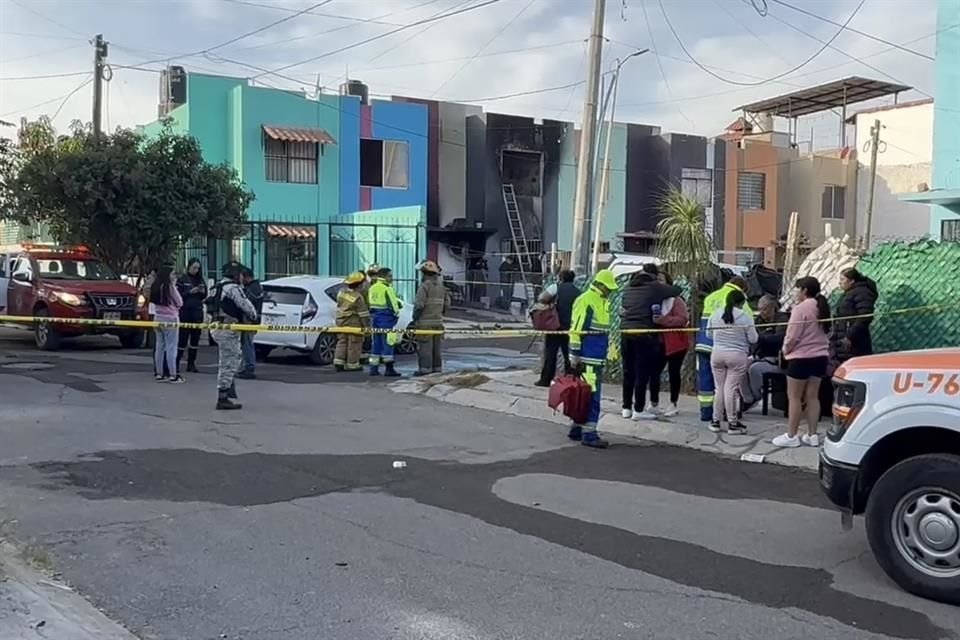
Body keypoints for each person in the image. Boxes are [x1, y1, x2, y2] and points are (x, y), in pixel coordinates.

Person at [773, 276, 831, 448]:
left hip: (800, 358)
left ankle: (792, 435)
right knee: (813, 397)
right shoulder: (822, 307)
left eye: (797, 289)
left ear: (804, 290)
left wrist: (785, 350)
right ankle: (812, 435)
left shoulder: (800, 309)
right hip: (820, 357)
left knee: (794, 397)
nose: (795, 292)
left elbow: (792, 335)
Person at [619, 264, 682, 420]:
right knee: (642, 372)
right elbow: (677, 290)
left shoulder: (628, 287)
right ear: (654, 276)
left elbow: (624, 307)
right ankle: (638, 410)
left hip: (625, 332)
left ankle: (626, 407)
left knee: (628, 371)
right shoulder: (654, 287)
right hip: (644, 333)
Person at [568, 269, 618, 448]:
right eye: (608, 288)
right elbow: (577, 330)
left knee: (584, 394)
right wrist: (575, 355)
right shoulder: (587, 300)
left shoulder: (600, 301)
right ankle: (589, 434)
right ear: (600, 285)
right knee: (591, 396)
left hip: (594, 357)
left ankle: (577, 428)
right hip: (588, 359)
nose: (610, 292)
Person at [695, 276, 752, 422]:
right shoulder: (742, 303)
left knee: (708, 381)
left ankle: (707, 412)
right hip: (728, 349)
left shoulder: (711, 297)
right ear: (743, 289)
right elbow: (750, 331)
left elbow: (707, 328)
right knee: (730, 385)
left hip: (704, 345)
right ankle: (730, 414)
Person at [208, 262, 258, 410]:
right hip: (228, 328)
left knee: (229, 358)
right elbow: (246, 306)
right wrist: (254, 317)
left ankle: (227, 389)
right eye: (241, 274)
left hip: (215, 326)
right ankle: (223, 395)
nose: (242, 277)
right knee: (229, 361)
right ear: (235, 274)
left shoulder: (215, 287)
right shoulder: (233, 288)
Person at [707, 289, 758, 434]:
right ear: (741, 303)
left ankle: (715, 421)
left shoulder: (716, 313)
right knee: (731, 389)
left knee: (719, 388)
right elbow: (753, 338)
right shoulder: (745, 316)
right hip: (737, 355)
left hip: (717, 354)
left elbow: (709, 334)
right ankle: (732, 423)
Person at [741, 294, 789, 409]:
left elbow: (779, 338)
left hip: (776, 359)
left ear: (773, 307)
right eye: (760, 309)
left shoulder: (782, 319)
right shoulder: (758, 320)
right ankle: (748, 398)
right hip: (759, 355)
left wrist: (762, 337)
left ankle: (756, 396)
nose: (762, 312)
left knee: (754, 369)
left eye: (765, 309)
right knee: (740, 367)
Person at [653, 271, 689, 417]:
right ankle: (653, 403)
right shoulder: (653, 300)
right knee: (654, 372)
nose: (658, 282)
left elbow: (682, 320)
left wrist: (664, 321)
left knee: (674, 373)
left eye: (661, 279)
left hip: (676, 344)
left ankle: (673, 403)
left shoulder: (676, 301)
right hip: (659, 342)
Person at [535, 269, 578, 387]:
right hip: (570, 327)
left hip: (555, 325)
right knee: (568, 354)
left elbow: (541, 298)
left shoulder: (556, 287)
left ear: (561, 278)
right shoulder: (578, 292)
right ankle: (570, 380)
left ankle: (545, 380)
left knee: (550, 353)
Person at [832, 267, 878, 364]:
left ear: (852, 281)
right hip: (844, 335)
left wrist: (850, 335)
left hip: (855, 340)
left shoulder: (862, 292)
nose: (840, 283)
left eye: (842, 279)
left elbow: (865, 316)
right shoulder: (849, 293)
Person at [413, 260, 450, 376]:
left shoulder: (424, 286)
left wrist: (415, 318)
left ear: (424, 273)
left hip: (424, 324)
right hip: (438, 323)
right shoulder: (442, 287)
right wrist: (440, 314)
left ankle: (425, 370)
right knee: (436, 348)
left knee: (425, 348)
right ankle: (437, 369)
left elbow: (419, 305)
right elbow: (447, 303)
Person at [150, 264, 184, 383]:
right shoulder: (170, 287)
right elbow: (180, 302)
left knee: (159, 346)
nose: (174, 276)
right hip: (171, 318)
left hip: (157, 318)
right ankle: (173, 374)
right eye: (173, 274)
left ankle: (159, 374)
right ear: (167, 275)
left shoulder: (155, 286)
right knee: (171, 347)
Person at [368, 266, 403, 377]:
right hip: (386, 318)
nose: (392, 278)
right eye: (390, 276)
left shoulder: (372, 287)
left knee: (376, 344)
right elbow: (393, 305)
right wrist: (396, 313)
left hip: (375, 318)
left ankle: (373, 369)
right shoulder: (387, 288)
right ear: (384, 276)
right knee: (388, 343)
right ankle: (389, 369)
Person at [334, 272, 370, 371]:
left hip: (340, 321)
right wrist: (366, 327)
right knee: (354, 343)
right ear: (359, 284)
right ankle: (352, 364)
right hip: (353, 323)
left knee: (342, 341)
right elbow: (363, 314)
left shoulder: (341, 291)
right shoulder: (358, 297)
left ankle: (339, 362)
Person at [176, 258, 206, 374]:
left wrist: (202, 291)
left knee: (195, 340)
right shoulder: (183, 279)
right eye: (194, 268)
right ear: (189, 267)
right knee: (182, 339)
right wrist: (189, 292)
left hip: (197, 312)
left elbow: (205, 296)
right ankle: (176, 363)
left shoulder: (200, 280)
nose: (196, 270)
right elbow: (178, 296)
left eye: (198, 268)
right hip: (185, 312)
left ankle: (191, 364)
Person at [236, 268, 264, 380]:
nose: (241, 279)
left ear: (247, 277)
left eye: (242, 277)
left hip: (250, 320)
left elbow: (247, 303)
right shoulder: (256, 286)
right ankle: (245, 367)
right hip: (252, 320)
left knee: (247, 344)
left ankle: (249, 368)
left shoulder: (253, 288)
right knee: (246, 344)